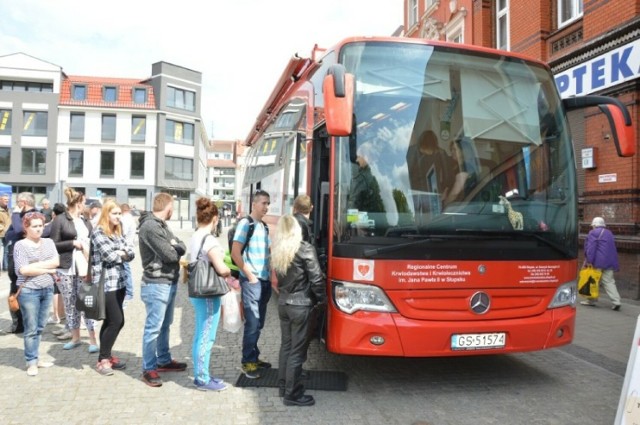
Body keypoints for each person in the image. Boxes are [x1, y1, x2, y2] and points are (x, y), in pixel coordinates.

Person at [272, 215, 326, 407]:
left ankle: (283, 387)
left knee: (286, 346)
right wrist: (322, 300)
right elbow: (317, 279)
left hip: (284, 304)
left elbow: (278, 281)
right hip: (301, 305)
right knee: (297, 350)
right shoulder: (304, 249)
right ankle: (292, 394)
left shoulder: (278, 250)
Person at [138, 192, 188, 387]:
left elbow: (180, 245)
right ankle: (149, 368)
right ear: (168, 208)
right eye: (172, 208)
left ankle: (164, 360)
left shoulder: (162, 225)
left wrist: (176, 245)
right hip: (156, 284)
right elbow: (170, 255)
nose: (173, 211)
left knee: (165, 325)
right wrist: (174, 246)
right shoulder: (150, 226)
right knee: (153, 328)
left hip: (168, 281)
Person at [188, 198, 230, 391]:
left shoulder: (196, 235)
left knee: (200, 334)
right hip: (208, 293)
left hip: (198, 291)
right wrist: (230, 273)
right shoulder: (209, 239)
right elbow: (221, 269)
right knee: (207, 336)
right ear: (215, 218)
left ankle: (201, 373)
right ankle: (202, 378)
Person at [49, 188, 98, 351]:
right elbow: (53, 244)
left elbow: (92, 240)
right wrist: (73, 244)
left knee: (87, 302)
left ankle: (93, 340)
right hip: (66, 268)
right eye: (84, 202)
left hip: (84, 266)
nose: (85, 205)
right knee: (70, 304)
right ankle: (75, 337)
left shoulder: (85, 220)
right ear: (78, 203)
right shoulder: (60, 220)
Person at [231, 189, 272, 379]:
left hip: (264, 281)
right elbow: (235, 253)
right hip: (252, 281)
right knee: (253, 323)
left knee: (259, 323)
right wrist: (249, 275)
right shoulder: (245, 224)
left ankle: (254, 357)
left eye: (268, 203)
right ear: (254, 204)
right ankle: (247, 362)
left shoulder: (264, 227)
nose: (266, 207)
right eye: (263, 203)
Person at [91, 200, 135, 375]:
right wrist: (121, 253)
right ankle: (103, 360)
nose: (118, 217)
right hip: (105, 283)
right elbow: (110, 256)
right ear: (106, 214)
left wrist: (122, 253)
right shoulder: (99, 232)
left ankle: (106, 355)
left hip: (120, 282)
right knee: (116, 320)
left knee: (111, 321)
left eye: (119, 213)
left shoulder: (117, 232)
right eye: (114, 213)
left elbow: (131, 252)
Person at [14, 211, 59, 376]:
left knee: (40, 327)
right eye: (35, 226)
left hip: (47, 288)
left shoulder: (48, 242)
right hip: (29, 290)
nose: (39, 229)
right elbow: (23, 270)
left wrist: (36, 266)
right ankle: (31, 361)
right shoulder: (21, 245)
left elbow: (56, 262)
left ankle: (36, 357)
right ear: (26, 227)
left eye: (41, 226)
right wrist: (48, 268)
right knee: (31, 328)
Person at [6, 192, 39, 334]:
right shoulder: (22, 216)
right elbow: (9, 234)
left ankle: (25, 324)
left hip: (25, 258)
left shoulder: (32, 215)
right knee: (15, 289)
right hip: (15, 255)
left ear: (23, 202)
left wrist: (15, 214)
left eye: (18, 201)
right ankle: (19, 324)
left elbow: (19, 230)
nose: (16, 204)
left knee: (22, 289)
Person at [581, 217, 622, 311]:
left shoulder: (593, 233)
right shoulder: (609, 233)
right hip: (610, 262)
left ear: (594, 225)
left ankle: (591, 300)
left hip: (597, 262)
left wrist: (589, 261)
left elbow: (591, 248)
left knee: (593, 280)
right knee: (609, 282)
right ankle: (616, 301)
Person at [44, 202, 67, 325]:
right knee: (62, 288)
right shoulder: (68, 223)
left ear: (53, 213)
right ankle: (62, 314)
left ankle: (56, 315)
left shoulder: (54, 224)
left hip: (54, 259)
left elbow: (43, 234)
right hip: (65, 259)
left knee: (56, 289)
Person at [119, 203, 136, 305]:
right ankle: (129, 291)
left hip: (125, 247)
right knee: (126, 269)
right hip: (129, 246)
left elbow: (122, 233)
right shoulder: (131, 219)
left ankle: (129, 292)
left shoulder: (125, 219)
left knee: (125, 269)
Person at [0, 193, 10, 272]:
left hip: (7, 234)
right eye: (5, 199)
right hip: (1, 234)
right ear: (0, 200)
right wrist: (2, 228)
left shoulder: (8, 210)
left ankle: (5, 267)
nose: (7, 201)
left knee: (6, 251)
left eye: (7, 200)